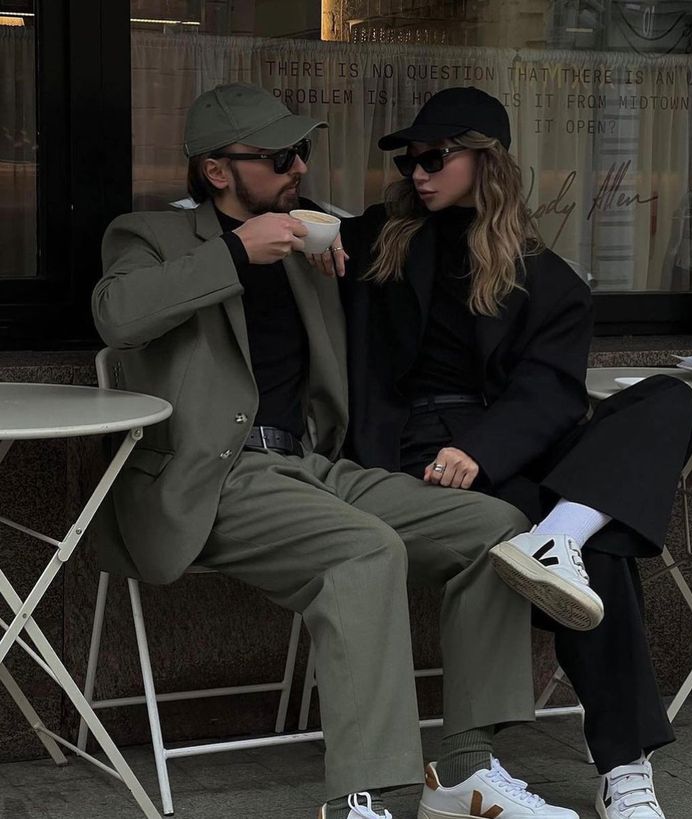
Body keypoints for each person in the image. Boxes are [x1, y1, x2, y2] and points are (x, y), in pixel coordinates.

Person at [91, 83, 582, 819]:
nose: (299, 169)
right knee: (366, 551)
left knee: (495, 530)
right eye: (281, 157)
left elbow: (423, 257)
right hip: (215, 477)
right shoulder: (149, 236)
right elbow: (117, 316)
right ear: (219, 172)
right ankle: (360, 796)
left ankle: (465, 771)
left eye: (304, 153)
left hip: (313, 468)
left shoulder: (309, 245)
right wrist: (234, 251)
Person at [333, 87, 692, 819]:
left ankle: (562, 534)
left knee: (671, 398)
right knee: (602, 555)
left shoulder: (551, 280)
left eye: (436, 157)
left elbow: (552, 391)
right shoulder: (382, 238)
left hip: (514, 448)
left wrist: (482, 447)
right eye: (410, 160)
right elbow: (301, 231)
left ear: (487, 162)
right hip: (415, 454)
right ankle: (623, 760)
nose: (419, 172)